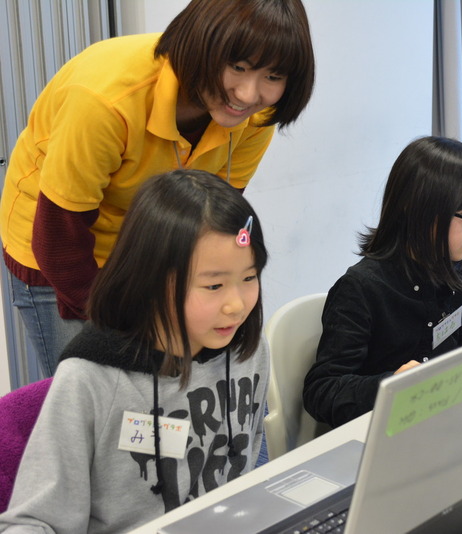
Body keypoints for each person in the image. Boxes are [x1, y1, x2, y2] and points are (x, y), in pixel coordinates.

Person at [0, 0, 314, 377]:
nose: (248, 94)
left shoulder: (256, 115)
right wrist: (127, 325)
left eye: (273, 76)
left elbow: (211, 221)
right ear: (200, 43)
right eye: (238, 67)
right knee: (94, 383)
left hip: (145, 245)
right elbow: (58, 240)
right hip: (58, 246)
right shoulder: (105, 99)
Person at [0, 169, 270, 533]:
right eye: (214, 285)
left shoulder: (247, 350)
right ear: (152, 280)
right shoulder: (89, 379)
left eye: (249, 278)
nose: (236, 305)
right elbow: (32, 522)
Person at [303, 136, 462, 428]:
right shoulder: (361, 289)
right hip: (377, 430)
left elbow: (458, 339)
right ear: (421, 213)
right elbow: (322, 391)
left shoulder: (456, 273)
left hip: (433, 421)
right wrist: (391, 385)